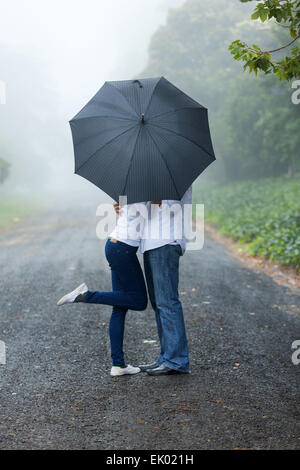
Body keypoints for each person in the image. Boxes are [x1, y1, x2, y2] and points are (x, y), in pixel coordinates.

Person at [56, 202, 148, 377]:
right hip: (122, 249)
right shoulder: (145, 190)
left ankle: (118, 365)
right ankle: (85, 295)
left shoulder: (132, 187)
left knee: (119, 306)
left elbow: (124, 207)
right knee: (139, 300)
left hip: (116, 245)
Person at [114, 186, 192, 376]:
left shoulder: (172, 172)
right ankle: (166, 356)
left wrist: (152, 196)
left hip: (166, 240)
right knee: (158, 302)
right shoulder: (152, 176)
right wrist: (125, 208)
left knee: (167, 301)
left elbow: (170, 204)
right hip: (152, 242)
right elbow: (147, 209)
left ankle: (176, 360)